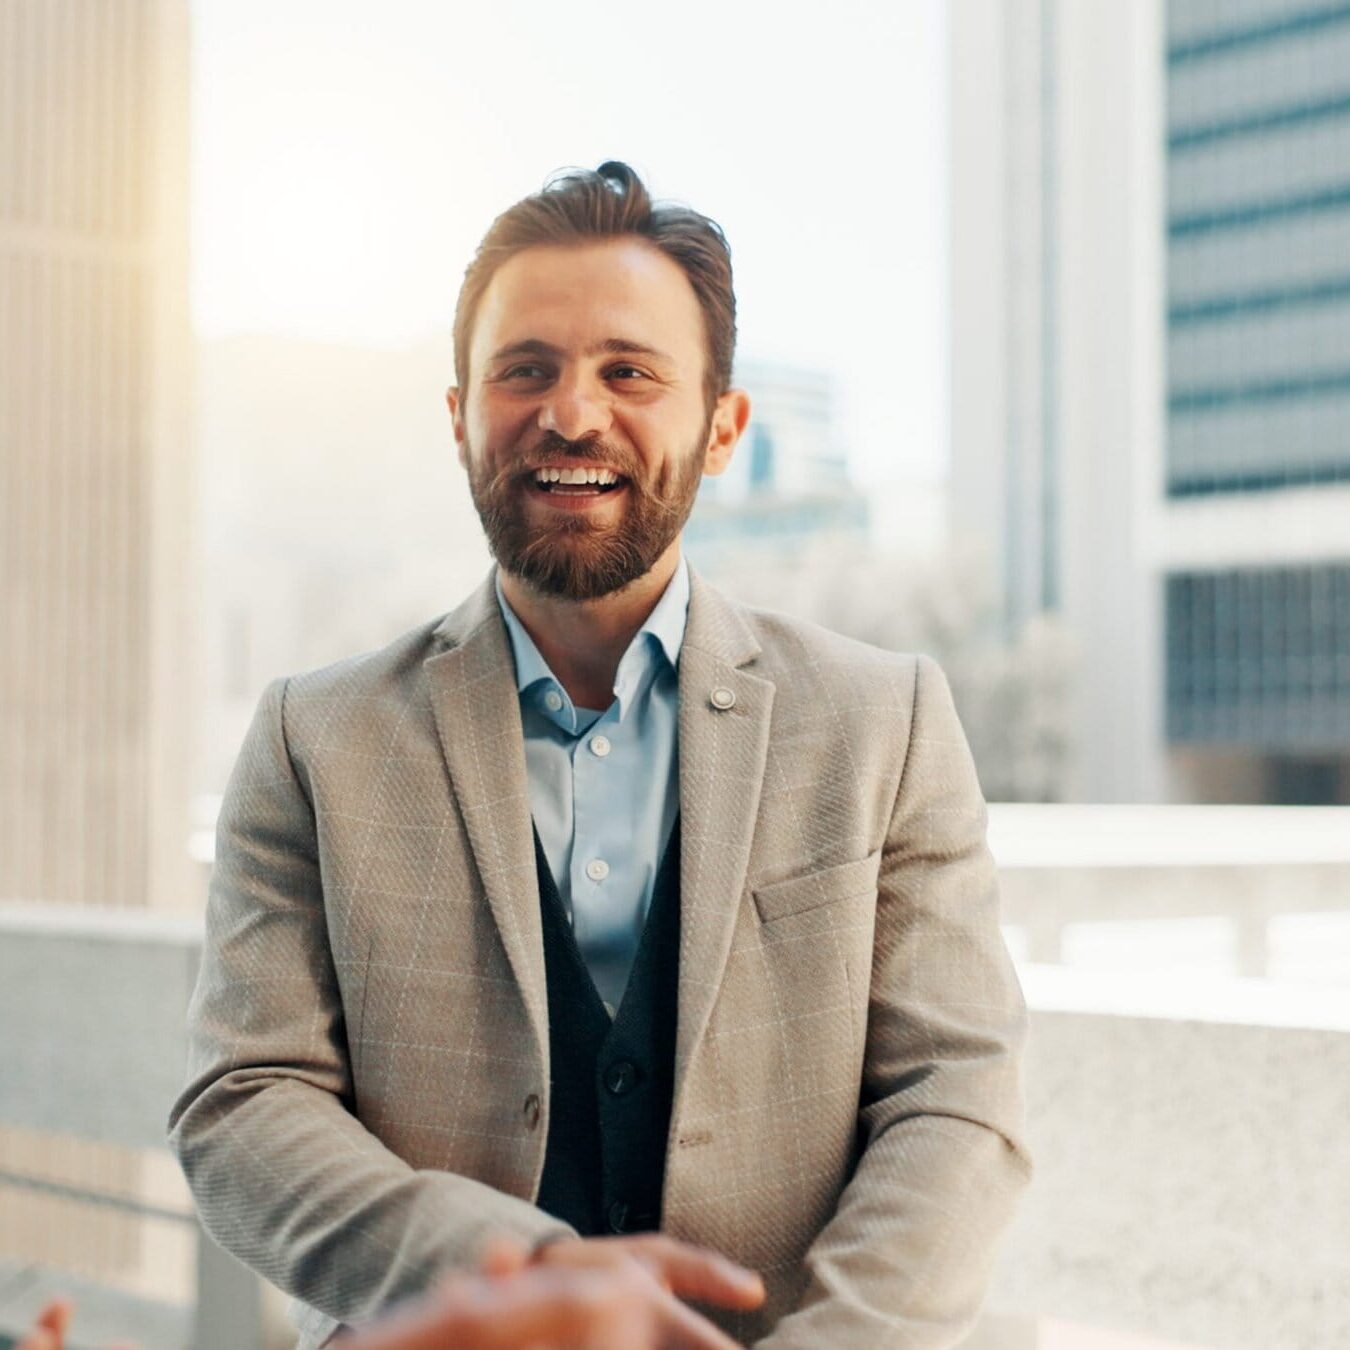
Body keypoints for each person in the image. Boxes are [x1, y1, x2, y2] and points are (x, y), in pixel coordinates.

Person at [168, 161, 1031, 1349]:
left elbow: (957, 1096)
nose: (573, 413)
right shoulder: (312, 738)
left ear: (721, 426)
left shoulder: (886, 722)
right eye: (526, 369)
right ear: (461, 412)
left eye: (630, 371)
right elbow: (244, 1106)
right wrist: (512, 1280)